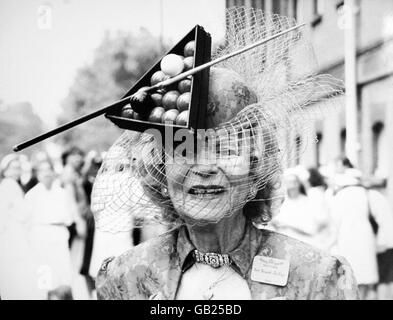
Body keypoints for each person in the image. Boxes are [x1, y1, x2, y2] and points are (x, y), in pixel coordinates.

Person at [94, 8, 358, 300]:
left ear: (255, 165)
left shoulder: (316, 277)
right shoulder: (127, 279)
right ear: (160, 169)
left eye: (225, 149)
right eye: (185, 148)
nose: (205, 166)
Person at [329, 158, 379, 299]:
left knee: (350, 274)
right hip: (365, 236)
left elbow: (335, 222)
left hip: (346, 237)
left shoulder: (339, 196)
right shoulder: (366, 193)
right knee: (365, 275)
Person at [25, 159, 74, 299]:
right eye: (42, 170)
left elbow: (69, 218)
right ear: (38, 174)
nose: (46, 173)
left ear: (53, 172)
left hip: (59, 235)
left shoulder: (62, 193)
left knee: (63, 273)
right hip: (39, 237)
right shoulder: (31, 195)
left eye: (48, 170)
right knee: (44, 274)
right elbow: (27, 222)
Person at [0, 154, 37, 299]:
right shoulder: (9, 185)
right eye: (14, 168)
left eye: (18, 168)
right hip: (13, 232)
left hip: (15, 231)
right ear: (5, 170)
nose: (17, 171)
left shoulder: (9, 185)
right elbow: (22, 212)